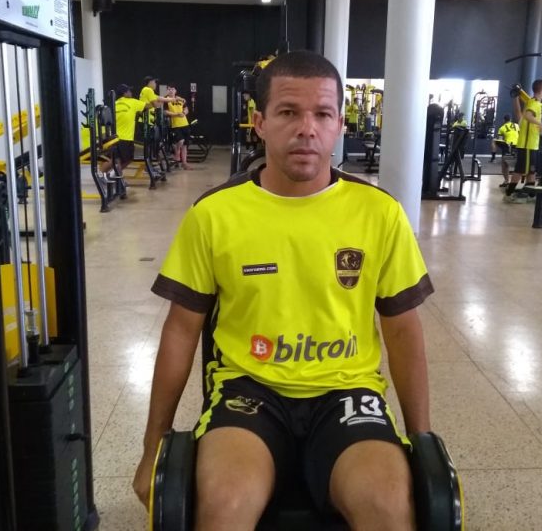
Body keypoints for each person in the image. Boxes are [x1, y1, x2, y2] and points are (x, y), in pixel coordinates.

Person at [133, 51, 433, 529]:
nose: (307, 129)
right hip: (248, 390)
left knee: (388, 505)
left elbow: (402, 331)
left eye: (323, 114)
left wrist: (424, 444)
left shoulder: (380, 213)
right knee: (225, 504)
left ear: (339, 125)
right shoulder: (214, 214)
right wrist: (154, 447)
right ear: (260, 122)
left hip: (347, 390)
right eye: (289, 112)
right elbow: (180, 331)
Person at [503, 79, 542, 204]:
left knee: (531, 171)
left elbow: (520, 113)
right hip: (527, 144)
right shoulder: (534, 104)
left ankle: (532, 195)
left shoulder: (532, 102)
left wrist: (516, 96)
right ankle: (508, 194)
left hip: (531, 144)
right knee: (520, 170)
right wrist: (541, 124)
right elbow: (527, 116)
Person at [112, 84, 149, 176]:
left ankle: (115, 175)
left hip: (114, 137)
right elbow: (150, 105)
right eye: (129, 91)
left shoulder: (115, 103)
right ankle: (116, 176)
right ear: (125, 93)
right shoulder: (132, 102)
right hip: (126, 137)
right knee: (126, 159)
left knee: (120, 159)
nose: (131, 93)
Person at [165, 84, 192, 169]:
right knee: (180, 141)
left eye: (172, 89)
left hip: (185, 124)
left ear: (175, 91)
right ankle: (177, 152)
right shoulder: (166, 100)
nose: (171, 91)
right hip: (175, 125)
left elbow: (186, 109)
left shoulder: (180, 99)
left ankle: (184, 163)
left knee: (185, 145)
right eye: (169, 89)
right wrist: (176, 114)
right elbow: (165, 112)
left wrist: (183, 113)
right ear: (167, 91)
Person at [493, 114, 519, 185]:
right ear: (510, 119)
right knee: (517, 165)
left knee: (504, 165)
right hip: (518, 147)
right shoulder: (517, 125)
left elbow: (500, 140)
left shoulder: (502, 128)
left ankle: (507, 181)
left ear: (504, 120)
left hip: (508, 146)